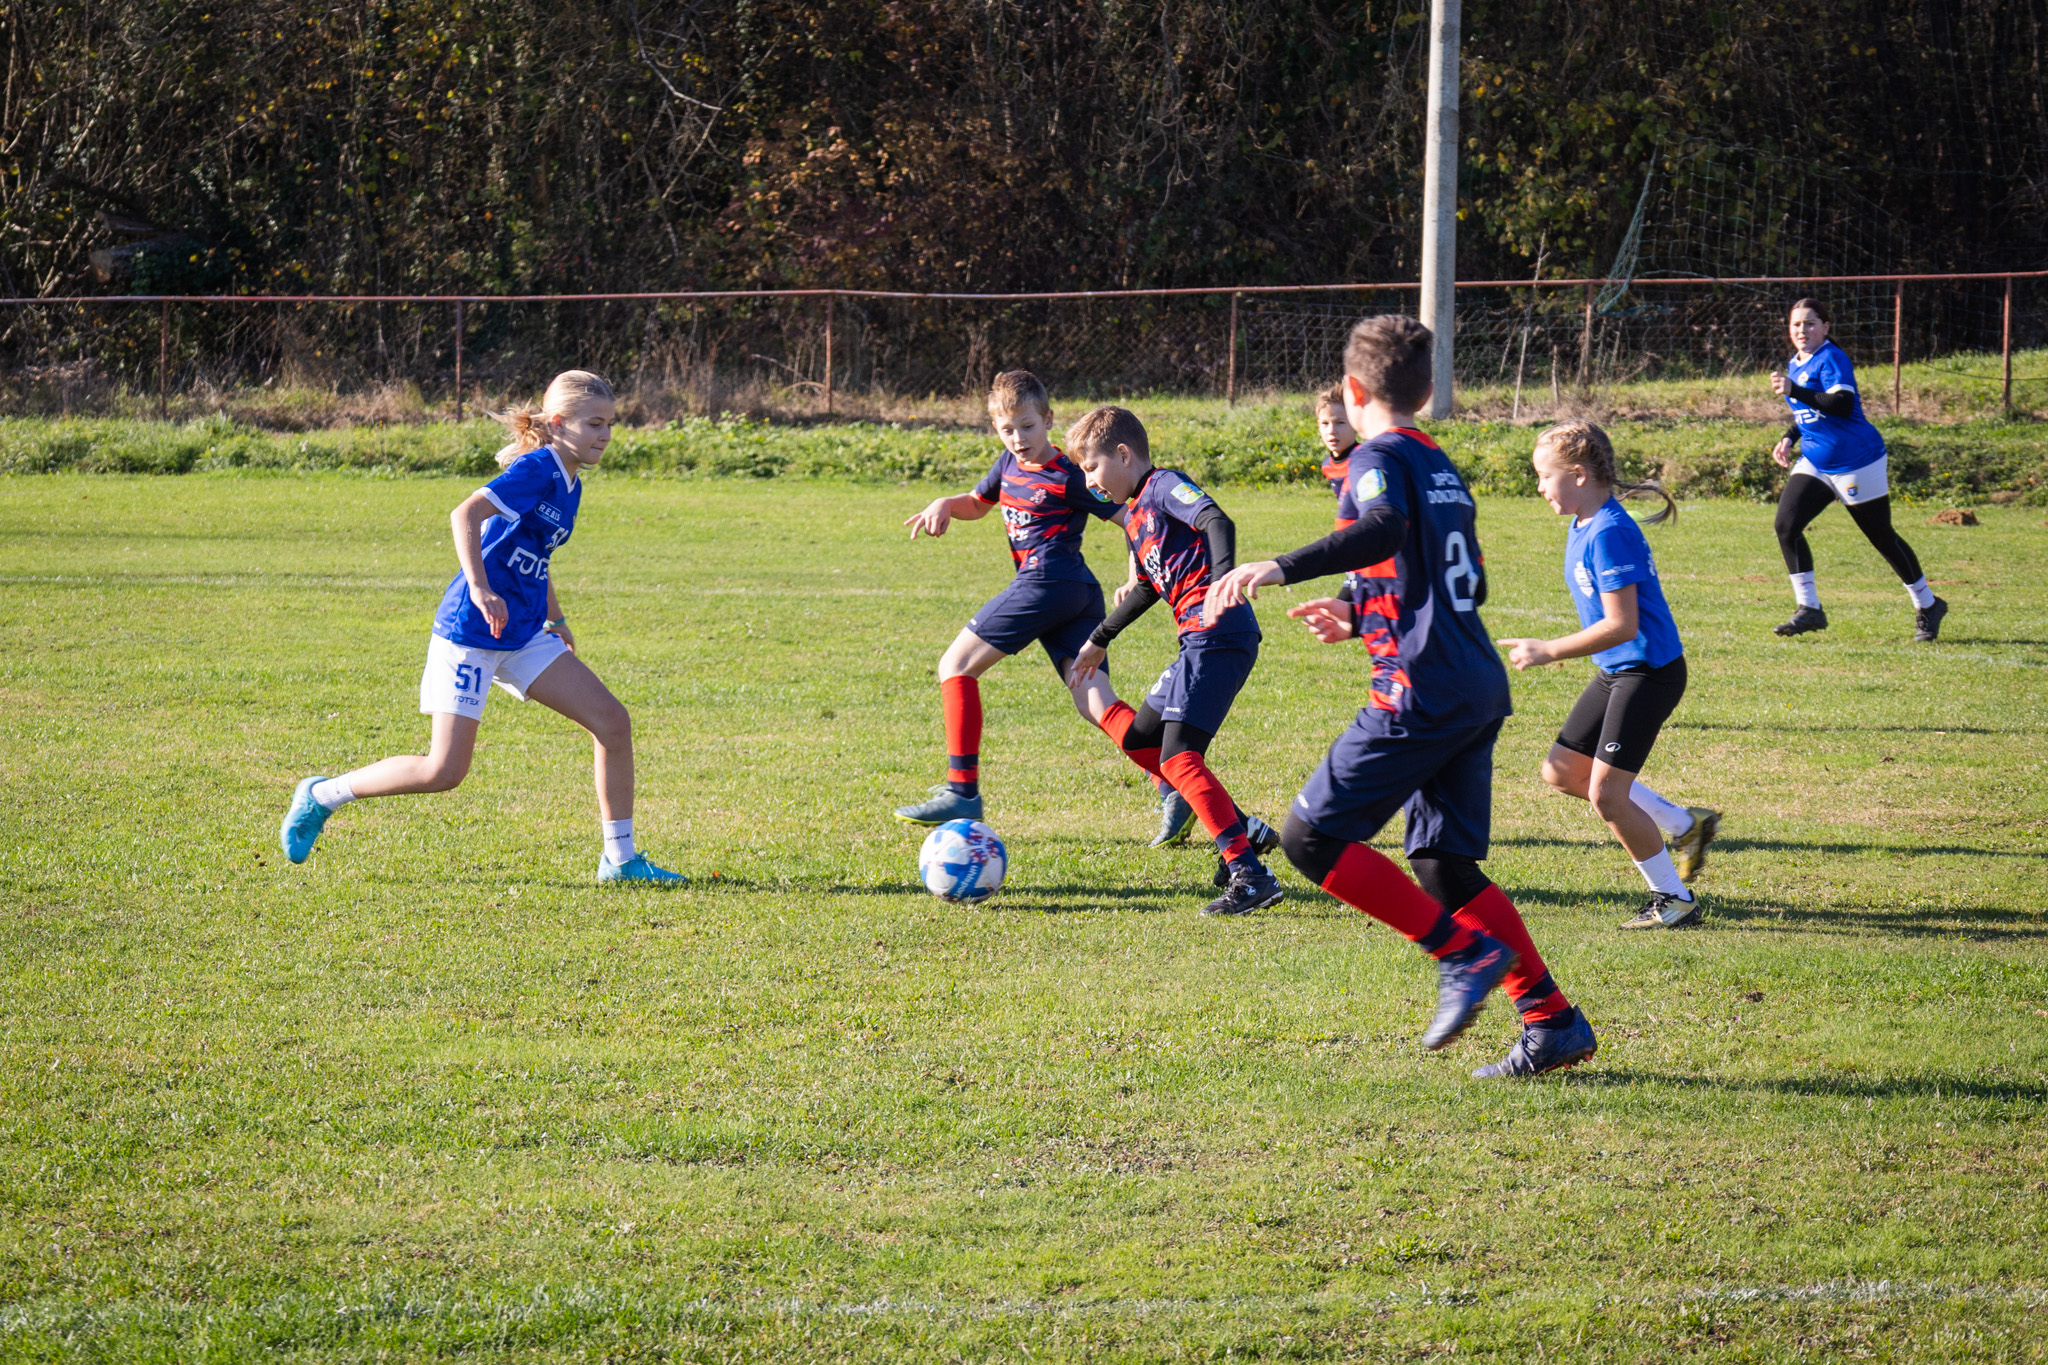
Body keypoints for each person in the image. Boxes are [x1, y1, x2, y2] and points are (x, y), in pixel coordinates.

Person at [1208, 315, 1597, 1078]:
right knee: (1444, 866)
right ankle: (1552, 1020)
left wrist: (1281, 565)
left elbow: (1384, 527)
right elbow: (1458, 578)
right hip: (1473, 681)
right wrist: (1359, 612)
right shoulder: (1438, 462)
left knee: (1309, 837)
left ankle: (1460, 954)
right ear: (1425, 391)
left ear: (1353, 392)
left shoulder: (1377, 458)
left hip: (1420, 689)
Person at [279, 371, 685, 883]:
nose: (605, 435)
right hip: (473, 629)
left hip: (524, 632)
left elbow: (536, 557)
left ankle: (620, 861)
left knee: (612, 722)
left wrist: (556, 619)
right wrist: (479, 587)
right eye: (594, 424)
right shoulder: (538, 468)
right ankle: (322, 795)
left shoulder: (571, 481)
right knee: (443, 771)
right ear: (559, 423)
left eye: (610, 424)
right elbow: (465, 513)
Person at [893, 372, 1191, 842]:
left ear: (1049, 420)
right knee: (1094, 702)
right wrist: (946, 503)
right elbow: (978, 502)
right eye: (1007, 429)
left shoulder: (1069, 474)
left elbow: (1130, 515)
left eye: (1028, 426)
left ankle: (962, 790)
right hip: (1075, 594)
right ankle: (1176, 786)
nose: (1018, 439)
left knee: (955, 665)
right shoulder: (1008, 465)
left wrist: (1137, 573)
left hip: (1047, 583)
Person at [1497, 422, 1720, 928]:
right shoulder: (1585, 522)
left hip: (1647, 673)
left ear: (1578, 474)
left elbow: (1622, 624)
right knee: (1562, 771)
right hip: (1619, 671)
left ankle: (1674, 900)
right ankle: (1684, 824)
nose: (1539, 487)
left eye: (1544, 476)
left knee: (1607, 795)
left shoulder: (1610, 532)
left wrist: (1550, 649)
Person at [1064, 405, 1284, 917]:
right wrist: (1100, 638)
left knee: (1178, 758)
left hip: (1218, 634)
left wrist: (1223, 582)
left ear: (1124, 454)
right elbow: (1147, 585)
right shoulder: (1136, 516)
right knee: (1141, 739)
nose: (1089, 482)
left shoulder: (1163, 486)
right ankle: (1241, 829)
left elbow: (1215, 519)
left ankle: (1249, 873)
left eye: (1092, 467)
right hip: (1196, 642)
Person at [1769, 297, 1947, 641]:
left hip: (1856, 460)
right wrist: (1789, 436)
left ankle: (1928, 604)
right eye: (1796, 324)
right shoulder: (1796, 362)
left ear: (1825, 327)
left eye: (1810, 323)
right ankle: (1809, 609)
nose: (1802, 330)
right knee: (1786, 526)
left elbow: (1841, 404)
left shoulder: (1832, 358)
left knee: (1881, 537)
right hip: (1817, 462)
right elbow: (1810, 413)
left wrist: (1795, 390)